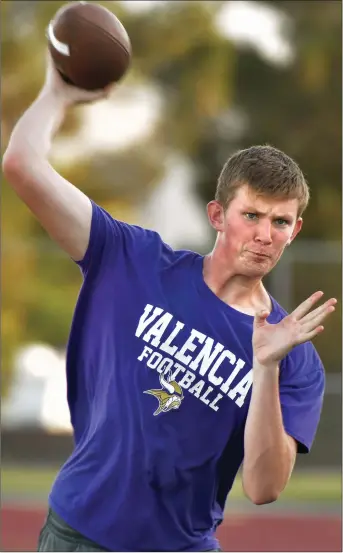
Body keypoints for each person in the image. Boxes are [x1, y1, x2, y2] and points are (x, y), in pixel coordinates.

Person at [3, 54, 336, 553]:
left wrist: (265, 366)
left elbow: (264, 488)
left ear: (296, 230)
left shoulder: (293, 354)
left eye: (281, 222)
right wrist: (59, 91)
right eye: (252, 215)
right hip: (80, 536)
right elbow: (22, 166)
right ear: (218, 214)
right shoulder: (133, 260)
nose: (266, 235)